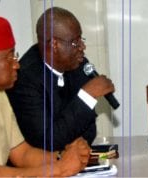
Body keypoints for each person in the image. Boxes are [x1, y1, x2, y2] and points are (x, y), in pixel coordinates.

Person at [0, 14, 90, 177]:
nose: (16, 64)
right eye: (9, 57)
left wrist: (63, 157)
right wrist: (59, 169)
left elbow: (22, 154)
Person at [6, 7, 115, 151]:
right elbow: (45, 141)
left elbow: (89, 129)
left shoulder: (79, 64)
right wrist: (86, 96)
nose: (83, 46)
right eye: (75, 42)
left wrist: (73, 147)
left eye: (81, 39)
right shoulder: (25, 79)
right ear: (54, 45)